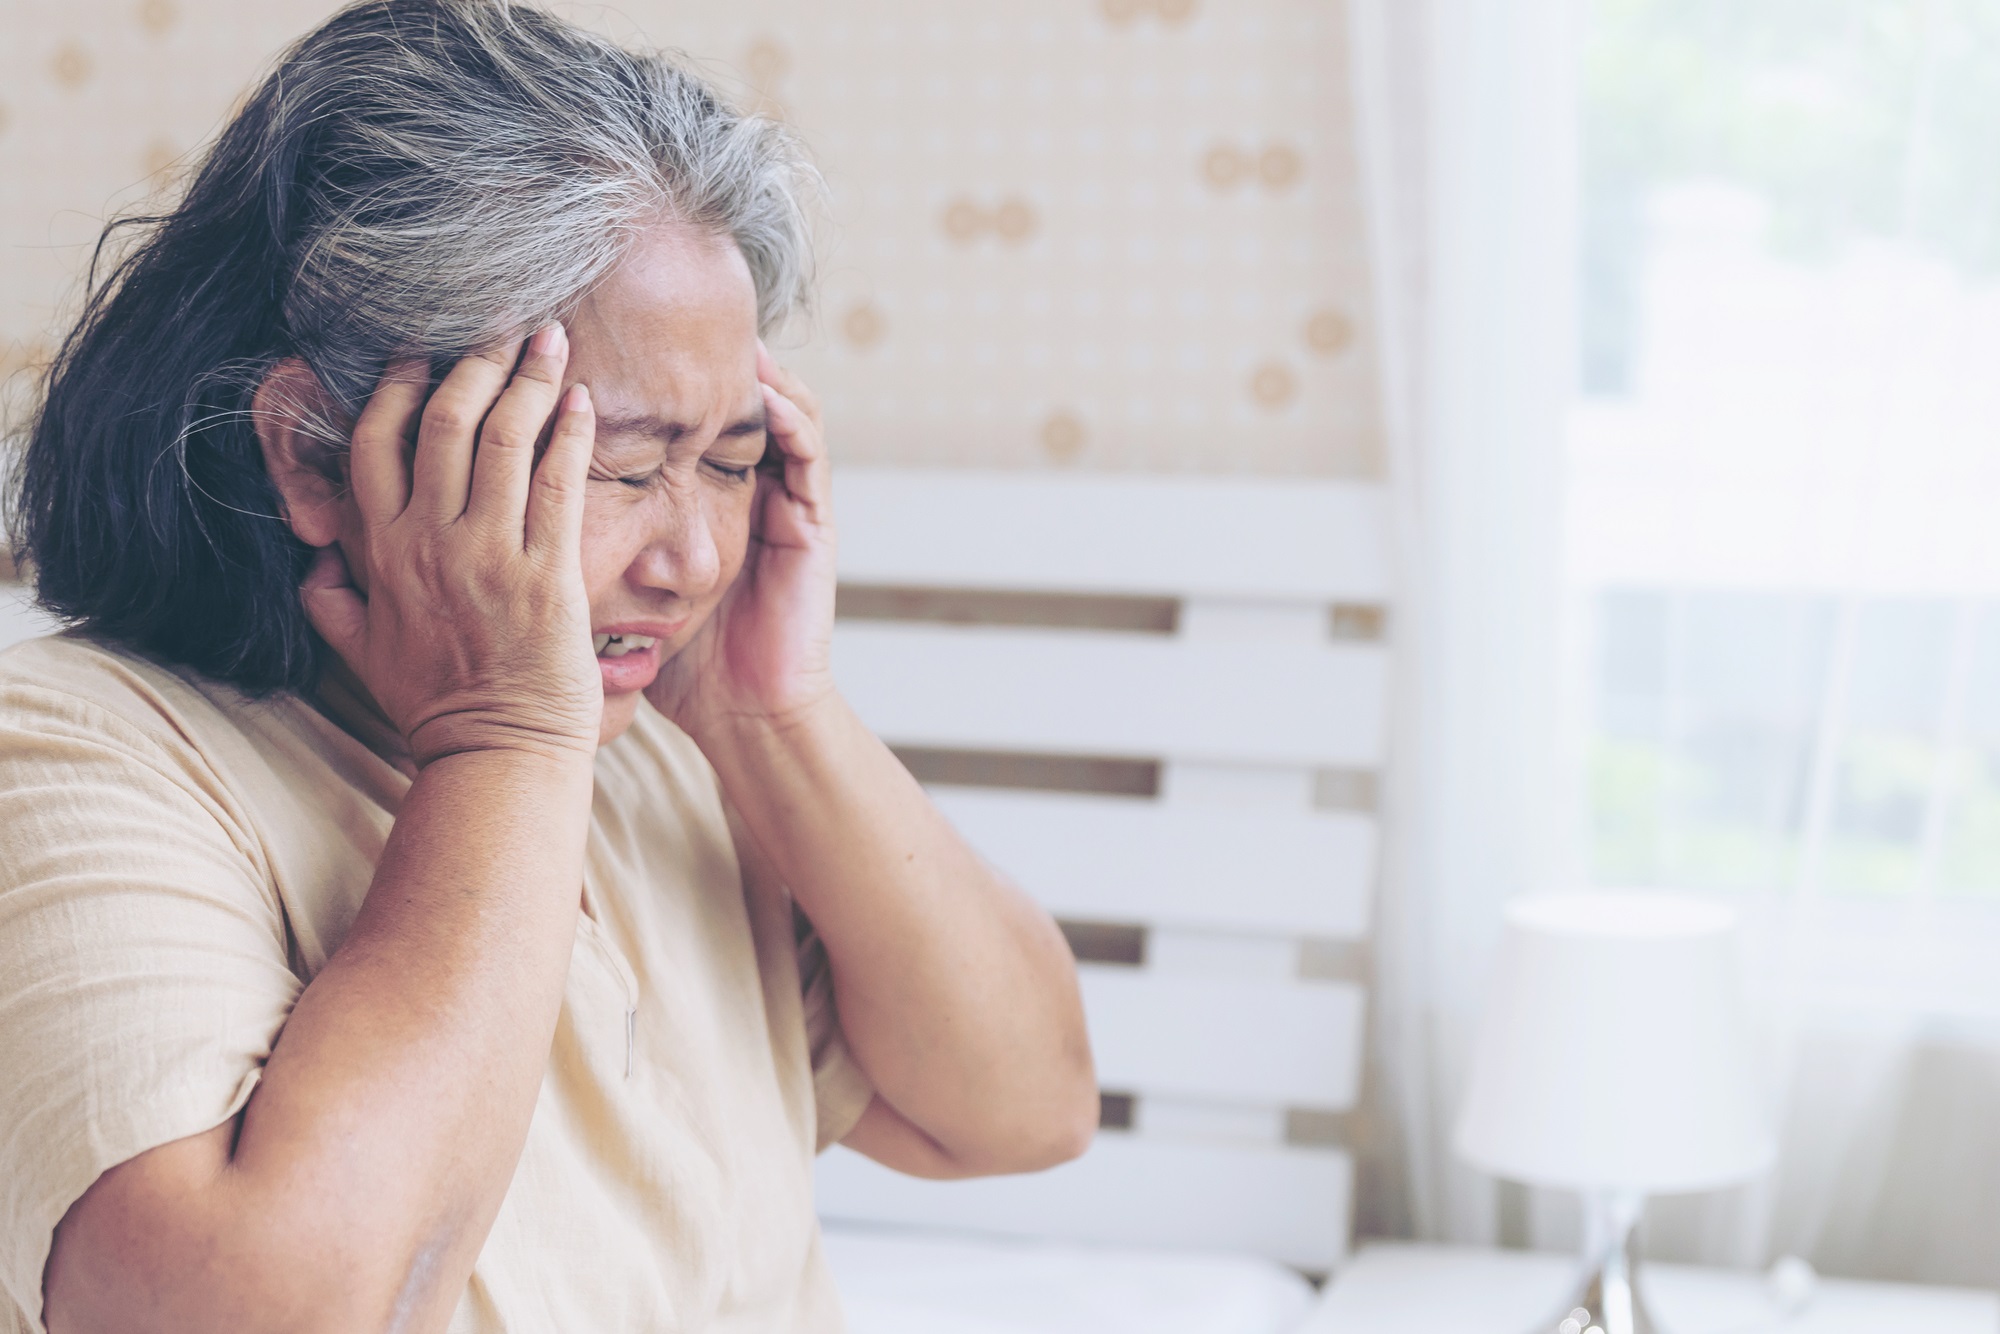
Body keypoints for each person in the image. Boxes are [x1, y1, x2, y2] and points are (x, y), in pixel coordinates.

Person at [0, 3, 1098, 1331]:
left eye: (734, 462)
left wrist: (772, 711)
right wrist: (500, 738)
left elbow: (1021, 1107)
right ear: (308, 452)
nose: (692, 556)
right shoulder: (65, 755)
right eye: (624, 468)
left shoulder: (661, 754)